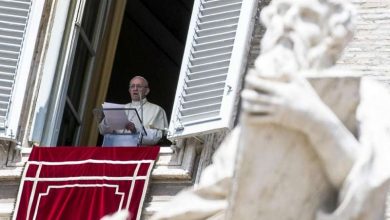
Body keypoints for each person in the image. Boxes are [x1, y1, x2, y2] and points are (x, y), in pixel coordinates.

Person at [99, 76, 168, 146]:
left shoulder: (156, 110)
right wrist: (107, 120)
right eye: (132, 86)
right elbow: (102, 131)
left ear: (147, 91)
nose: (135, 89)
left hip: (140, 154)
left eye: (139, 86)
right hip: (115, 152)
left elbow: (157, 137)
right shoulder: (120, 108)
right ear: (129, 90)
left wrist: (135, 130)